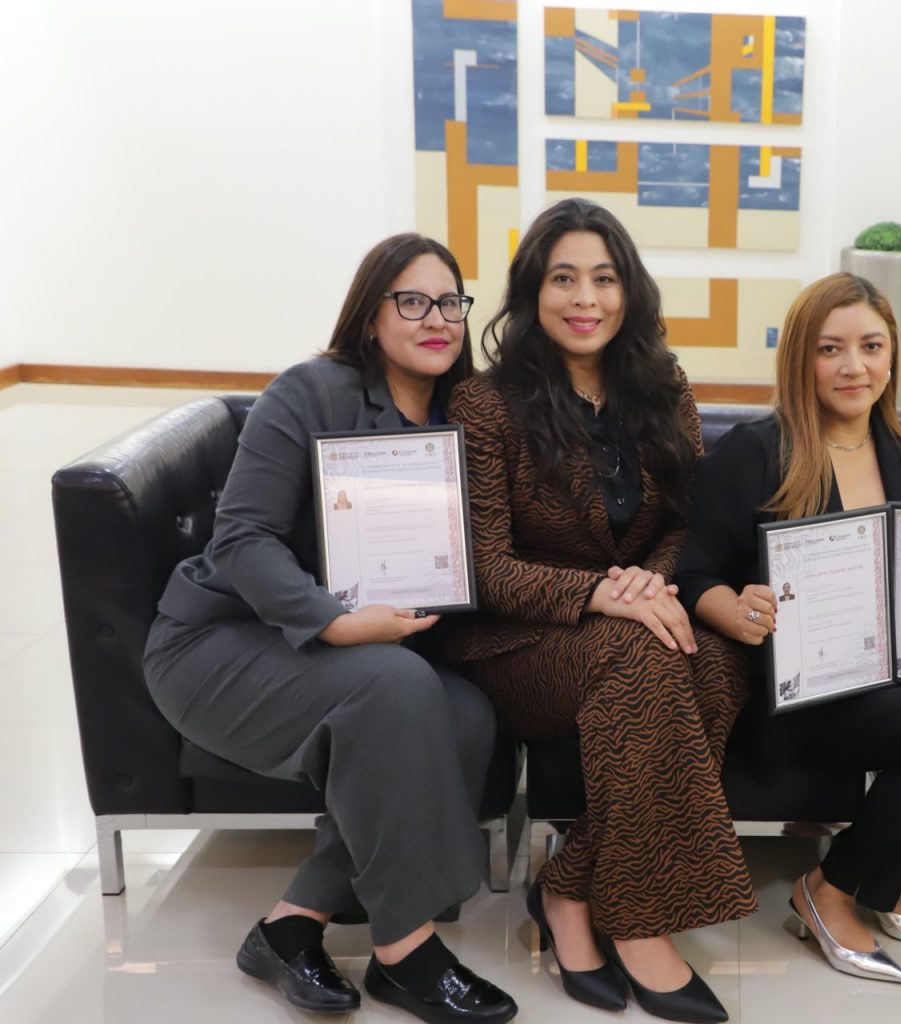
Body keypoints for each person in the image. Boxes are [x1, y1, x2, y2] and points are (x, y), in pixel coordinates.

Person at [141, 233, 517, 1024]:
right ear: (370, 314)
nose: (437, 319)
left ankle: (289, 927)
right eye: (411, 301)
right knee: (398, 686)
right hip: (220, 641)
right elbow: (241, 539)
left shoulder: (466, 416)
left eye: (450, 302)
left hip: (359, 653)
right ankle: (406, 954)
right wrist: (336, 623)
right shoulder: (309, 391)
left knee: (466, 713)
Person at [674, 272, 901, 985]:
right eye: (830, 349)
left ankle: (882, 876)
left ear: (893, 356)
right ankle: (828, 891)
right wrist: (734, 609)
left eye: (871, 347)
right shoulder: (756, 450)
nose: (854, 366)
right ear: (801, 359)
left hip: (891, 669)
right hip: (796, 689)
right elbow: (693, 572)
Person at [437, 198, 750, 1023]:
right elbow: (485, 566)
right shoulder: (484, 404)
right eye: (564, 279)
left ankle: (570, 890)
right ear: (532, 293)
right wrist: (601, 594)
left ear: (629, 290)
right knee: (644, 654)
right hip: (515, 643)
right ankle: (642, 927)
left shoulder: (663, 388)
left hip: (630, 615)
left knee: (718, 659)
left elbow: (684, 523)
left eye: (604, 279)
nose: (586, 299)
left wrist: (647, 582)